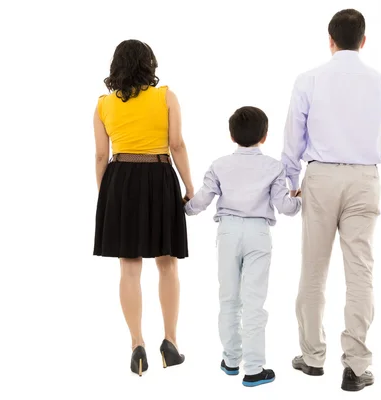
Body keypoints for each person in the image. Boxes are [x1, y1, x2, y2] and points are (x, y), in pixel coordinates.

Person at [281, 9, 381, 392]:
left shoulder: (308, 80)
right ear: (364, 40)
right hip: (365, 179)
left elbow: (293, 138)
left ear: (330, 40)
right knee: (360, 273)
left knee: (313, 269)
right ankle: (356, 366)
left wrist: (291, 180)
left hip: (319, 177)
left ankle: (312, 356)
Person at [93, 39, 195, 376]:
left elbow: (100, 156)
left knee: (129, 268)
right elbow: (176, 144)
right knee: (167, 264)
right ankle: (170, 341)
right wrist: (190, 186)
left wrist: (106, 195)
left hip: (120, 178)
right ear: (149, 64)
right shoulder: (166, 96)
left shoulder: (103, 105)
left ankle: (137, 345)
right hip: (159, 174)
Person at [184, 106, 302, 387]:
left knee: (228, 298)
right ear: (264, 136)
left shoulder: (220, 164)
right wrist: (299, 198)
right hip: (258, 233)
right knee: (254, 302)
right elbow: (285, 207)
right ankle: (254, 368)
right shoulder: (274, 167)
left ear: (231, 135)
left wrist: (184, 208)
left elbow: (200, 200)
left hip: (227, 232)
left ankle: (231, 360)